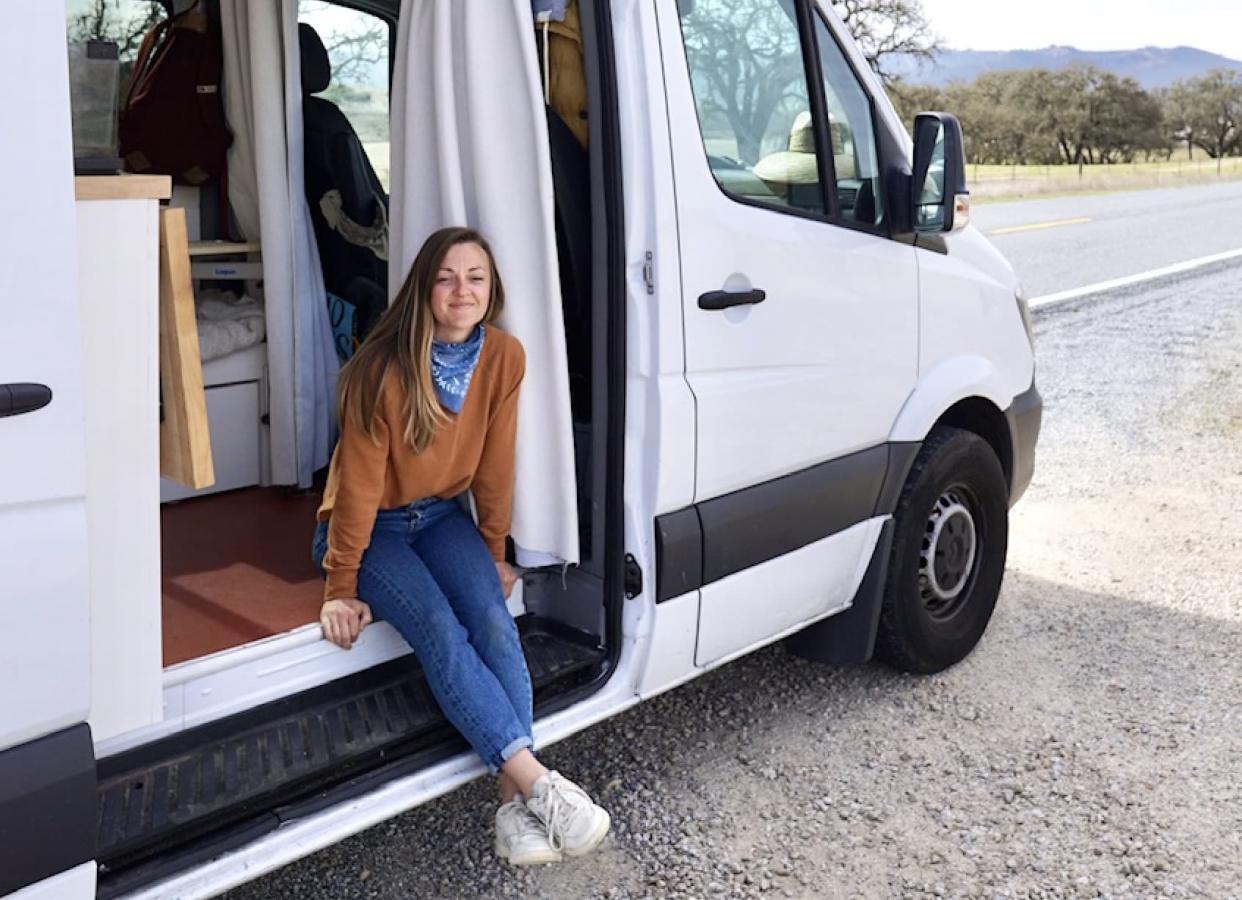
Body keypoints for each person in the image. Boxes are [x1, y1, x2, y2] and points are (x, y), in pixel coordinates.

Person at [311, 225, 610, 865]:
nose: (461, 290)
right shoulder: (380, 367)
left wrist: (494, 549)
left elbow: (495, 464)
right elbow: (359, 490)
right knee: (443, 633)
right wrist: (341, 586)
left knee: (495, 625)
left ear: (492, 288)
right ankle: (539, 786)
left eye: (475, 277)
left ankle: (512, 809)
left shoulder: (504, 356)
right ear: (424, 288)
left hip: (442, 515)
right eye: (446, 277)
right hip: (371, 528)